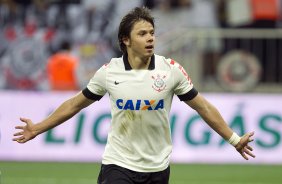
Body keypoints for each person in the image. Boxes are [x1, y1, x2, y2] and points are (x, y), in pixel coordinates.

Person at [13, 7, 255, 184]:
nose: (150, 38)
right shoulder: (109, 72)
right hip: (118, 165)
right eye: (142, 34)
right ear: (125, 40)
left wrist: (234, 139)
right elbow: (75, 105)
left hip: (158, 168)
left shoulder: (170, 69)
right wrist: (38, 128)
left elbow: (203, 107)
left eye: (151, 32)